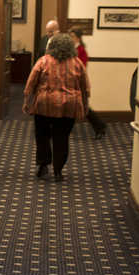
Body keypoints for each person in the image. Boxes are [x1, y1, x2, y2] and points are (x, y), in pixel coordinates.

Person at [23, 32, 91, 181]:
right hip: (69, 106)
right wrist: (85, 106)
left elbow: (31, 83)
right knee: (62, 137)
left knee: (42, 135)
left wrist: (27, 102)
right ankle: (58, 170)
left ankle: (43, 164)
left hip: (44, 104)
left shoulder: (43, 61)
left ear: (52, 46)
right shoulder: (77, 63)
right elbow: (85, 87)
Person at [69, 28, 107, 139]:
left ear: (77, 37)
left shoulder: (81, 50)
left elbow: (82, 67)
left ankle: (100, 126)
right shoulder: (72, 49)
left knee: (83, 108)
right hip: (72, 82)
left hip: (78, 83)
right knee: (75, 107)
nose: (70, 38)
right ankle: (100, 126)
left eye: (72, 36)